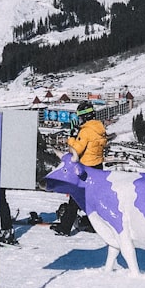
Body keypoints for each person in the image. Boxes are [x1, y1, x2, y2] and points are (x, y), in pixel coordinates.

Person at [53, 100, 108, 236]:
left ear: (84, 116)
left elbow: (75, 150)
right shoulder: (100, 129)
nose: (79, 119)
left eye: (80, 117)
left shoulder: (86, 132)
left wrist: (72, 137)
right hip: (97, 166)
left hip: (85, 168)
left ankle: (65, 228)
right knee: (92, 198)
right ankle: (96, 225)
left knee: (75, 198)